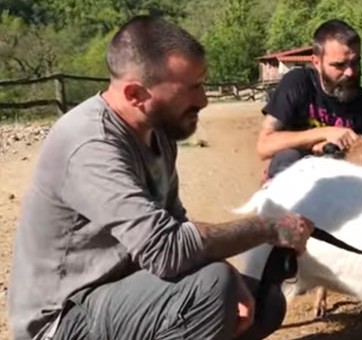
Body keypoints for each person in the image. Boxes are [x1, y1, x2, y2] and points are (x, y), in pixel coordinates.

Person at [7, 15, 314, 340]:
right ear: (136, 94)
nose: (204, 100)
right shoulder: (88, 143)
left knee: (263, 304)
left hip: (119, 297)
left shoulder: (158, 132)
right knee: (213, 288)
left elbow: (174, 221)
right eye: (192, 88)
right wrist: (268, 228)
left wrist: (227, 271)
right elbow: (166, 249)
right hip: (62, 321)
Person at [256, 19, 362, 180]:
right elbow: (264, 145)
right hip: (295, 182)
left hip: (346, 186)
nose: (350, 73)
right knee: (287, 159)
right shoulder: (298, 83)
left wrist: (333, 151)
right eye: (339, 65)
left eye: (355, 63)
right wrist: (324, 134)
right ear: (316, 63)